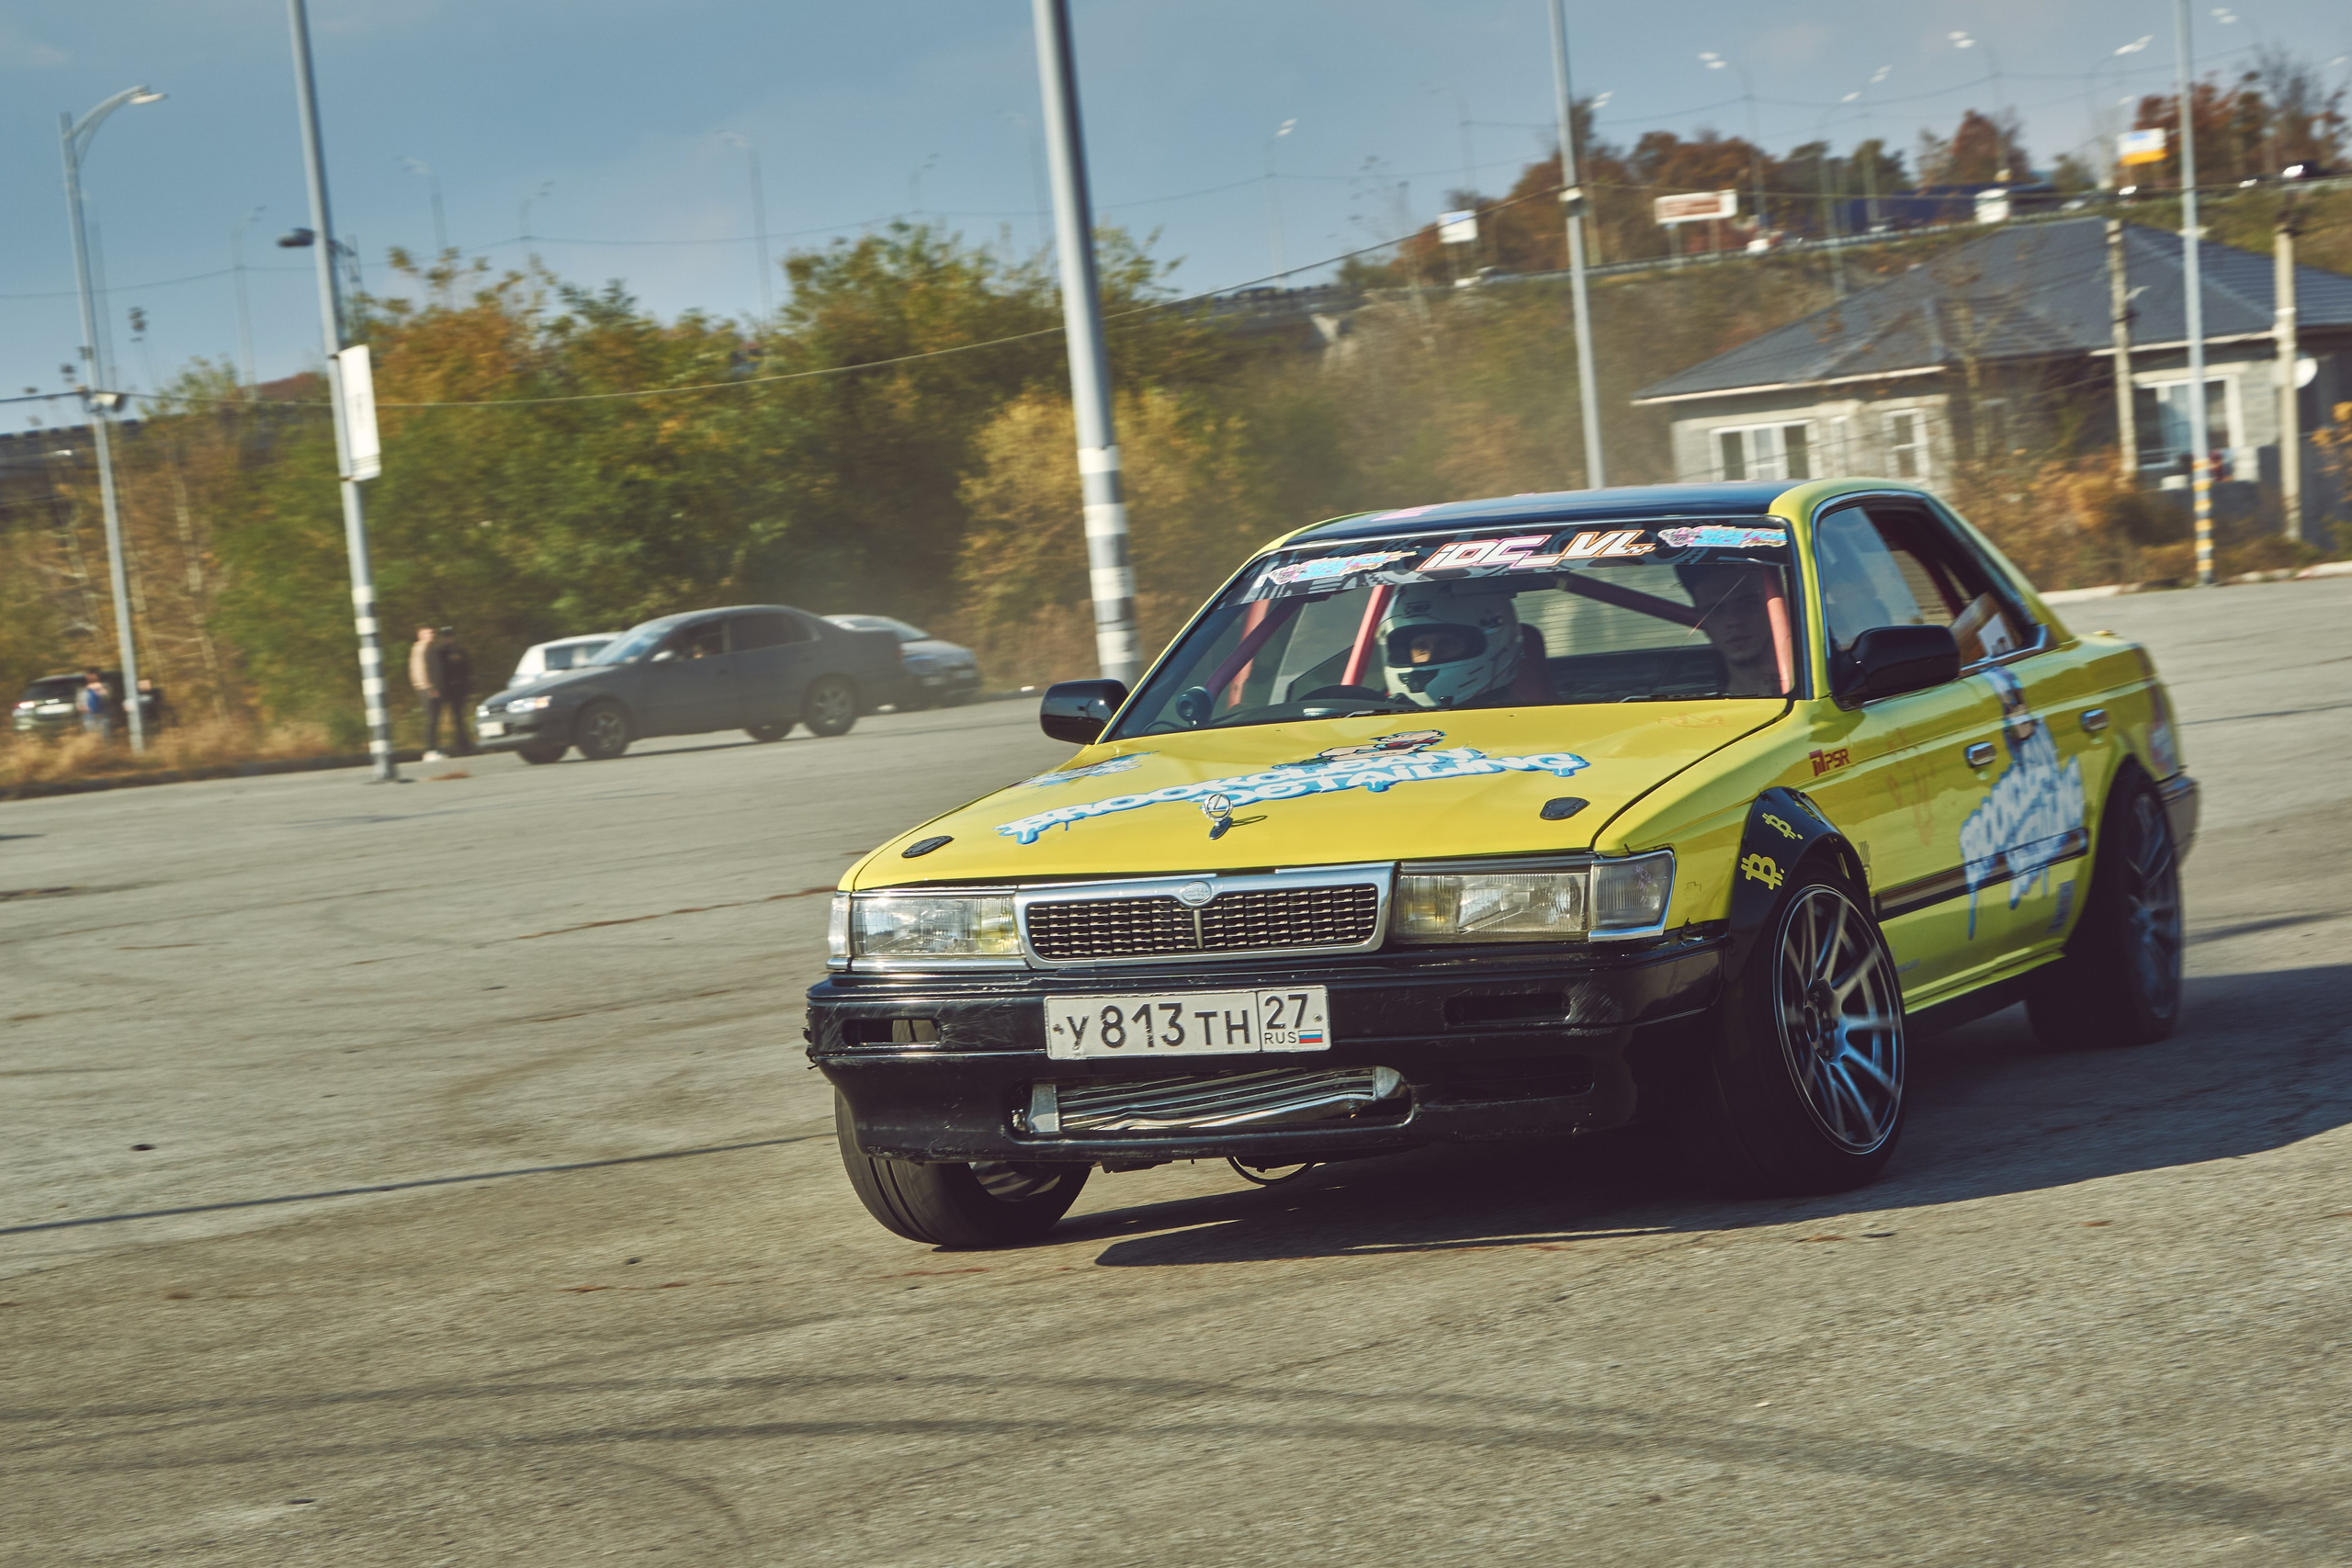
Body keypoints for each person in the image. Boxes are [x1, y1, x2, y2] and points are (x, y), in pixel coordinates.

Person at [1678, 563, 1790, 697]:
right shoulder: (1692, 711)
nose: (1733, 621)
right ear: (1701, 620)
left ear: (1781, 608)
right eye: (1715, 610)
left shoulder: (1817, 690)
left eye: (1746, 604)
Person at [422, 626, 476, 759]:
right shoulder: (438, 652)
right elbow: (436, 672)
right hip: (443, 689)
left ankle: (463, 745)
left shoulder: (460, 651)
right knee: (435, 719)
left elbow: (466, 670)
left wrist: (466, 687)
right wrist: (434, 688)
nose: (448, 639)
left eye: (450, 636)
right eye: (445, 636)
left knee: (459, 719)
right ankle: (431, 747)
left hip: (457, 690)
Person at [76, 669, 113, 739]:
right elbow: (79, 702)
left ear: (97, 676)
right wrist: (81, 708)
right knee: (91, 736)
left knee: (104, 736)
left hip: (102, 715)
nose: (91, 677)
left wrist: (98, 688)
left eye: (93, 675)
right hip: (88, 716)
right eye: (89, 676)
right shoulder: (82, 689)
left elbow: (108, 697)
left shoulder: (104, 686)